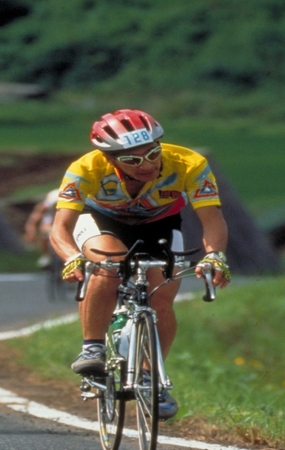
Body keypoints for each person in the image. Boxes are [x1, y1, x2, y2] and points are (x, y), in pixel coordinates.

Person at [50, 109, 231, 420]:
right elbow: (59, 227)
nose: (147, 165)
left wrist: (215, 255)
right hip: (102, 221)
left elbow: (212, 220)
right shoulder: (85, 168)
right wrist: (71, 258)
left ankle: (151, 379)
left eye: (152, 153)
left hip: (160, 224)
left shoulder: (190, 164)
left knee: (162, 299)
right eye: (132, 160)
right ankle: (92, 349)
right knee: (109, 267)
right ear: (110, 159)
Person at [23, 188, 60, 268]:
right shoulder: (44, 207)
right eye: (55, 204)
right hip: (49, 224)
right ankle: (46, 255)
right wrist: (30, 233)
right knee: (44, 232)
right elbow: (34, 221)